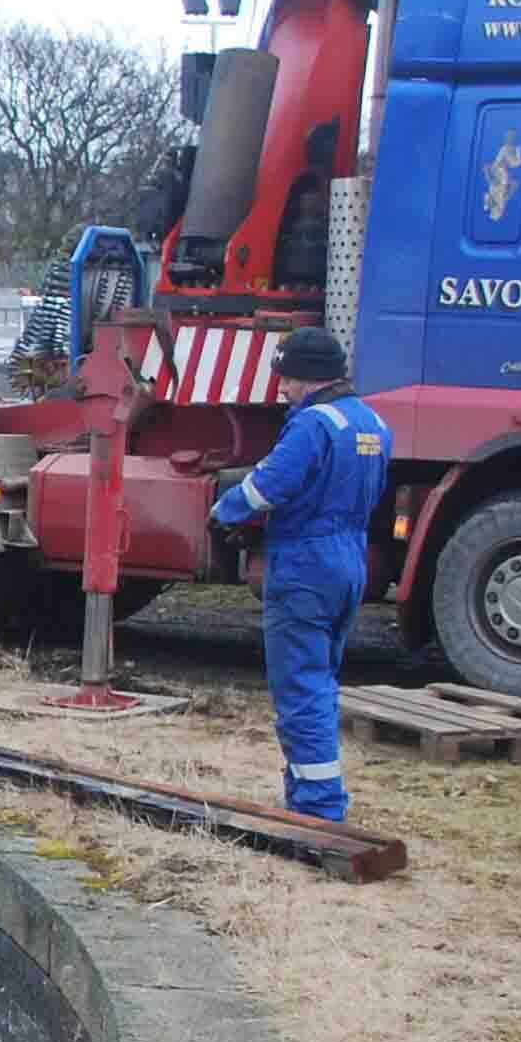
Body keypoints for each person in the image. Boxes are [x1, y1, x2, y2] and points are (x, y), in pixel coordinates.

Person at [211, 325, 392, 821]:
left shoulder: (313, 425)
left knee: (300, 688)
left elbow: (267, 487)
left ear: (309, 377)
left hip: (305, 564)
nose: (282, 389)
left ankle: (318, 809)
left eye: (287, 378)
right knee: (321, 681)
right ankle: (307, 792)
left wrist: (222, 510)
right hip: (348, 560)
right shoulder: (372, 421)